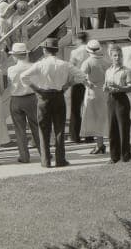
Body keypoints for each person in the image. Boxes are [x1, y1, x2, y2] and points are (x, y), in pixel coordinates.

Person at [21, 36, 86, 168]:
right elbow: (82, 76)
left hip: (43, 96)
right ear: (56, 50)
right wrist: (68, 85)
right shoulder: (64, 64)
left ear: (45, 50)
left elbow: (23, 76)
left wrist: (36, 88)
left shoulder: (40, 64)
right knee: (59, 129)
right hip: (58, 95)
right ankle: (60, 159)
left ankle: (45, 160)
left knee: (44, 129)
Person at [5, 42, 42, 164]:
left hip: (16, 99)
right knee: (36, 127)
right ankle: (43, 153)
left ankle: (24, 156)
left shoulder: (11, 69)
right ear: (26, 54)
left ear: (15, 56)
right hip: (31, 97)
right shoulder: (33, 66)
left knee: (19, 129)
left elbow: (10, 84)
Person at [103, 43, 131, 163]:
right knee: (112, 128)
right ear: (111, 56)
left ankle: (125, 156)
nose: (117, 58)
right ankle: (113, 156)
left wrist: (119, 87)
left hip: (122, 99)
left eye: (119, 55)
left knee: (123, 128)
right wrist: (105, 88)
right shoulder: (108, 71)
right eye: (115, 55)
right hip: (111, 99)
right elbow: (106, 85)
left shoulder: (126, 71)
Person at [79, 39, 111, 155]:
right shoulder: (106, 61)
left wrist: (87, 84)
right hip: (105, 91)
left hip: (92, 92)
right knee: (103, 118)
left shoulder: (87, 62)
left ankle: (100, 144)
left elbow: (80, 76)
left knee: (95, 119)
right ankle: (100, 144)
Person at [67, 32, 91, 143]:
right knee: (88, 109)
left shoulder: (75, 52)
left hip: (78, 81)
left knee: (75, 110)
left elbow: (71, 67)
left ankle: (75, 136)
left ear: (79, 39)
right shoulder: (90, 49)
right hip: (89, 80)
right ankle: (89, 135)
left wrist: (69, 81)